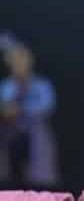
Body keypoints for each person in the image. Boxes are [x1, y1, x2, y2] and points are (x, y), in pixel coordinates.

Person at [0, 38, 59, 189]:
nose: (19, 64)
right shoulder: (6, 86)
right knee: (10, 185)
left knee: (38, 185)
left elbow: (47, 107)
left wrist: (20, 110)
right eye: (15, 60)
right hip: (10, 141)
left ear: (30, 61)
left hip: (35, 142)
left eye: (22, 59)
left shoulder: (42, 85)